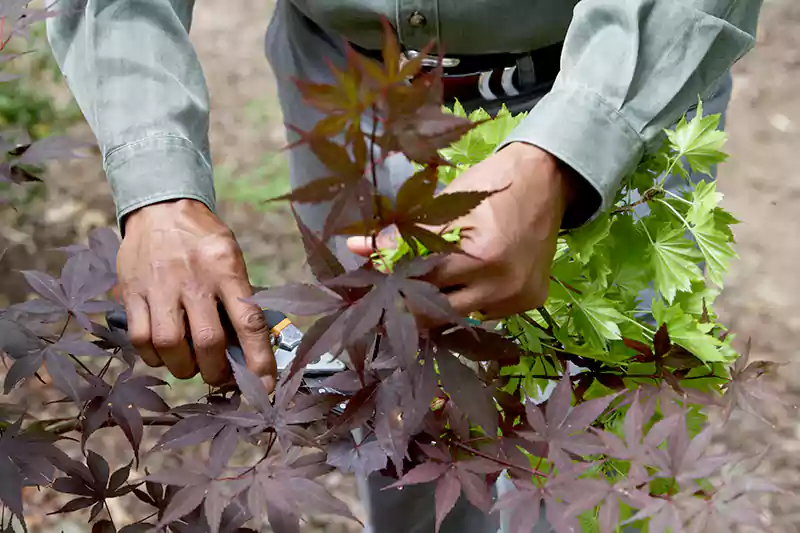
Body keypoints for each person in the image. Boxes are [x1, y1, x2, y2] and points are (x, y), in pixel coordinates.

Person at [46, 1, 762, 531]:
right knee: (401, 429)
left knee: (590, 462)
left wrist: (573, 149)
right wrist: (156, 183)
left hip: (626, 74)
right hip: (344, 85)